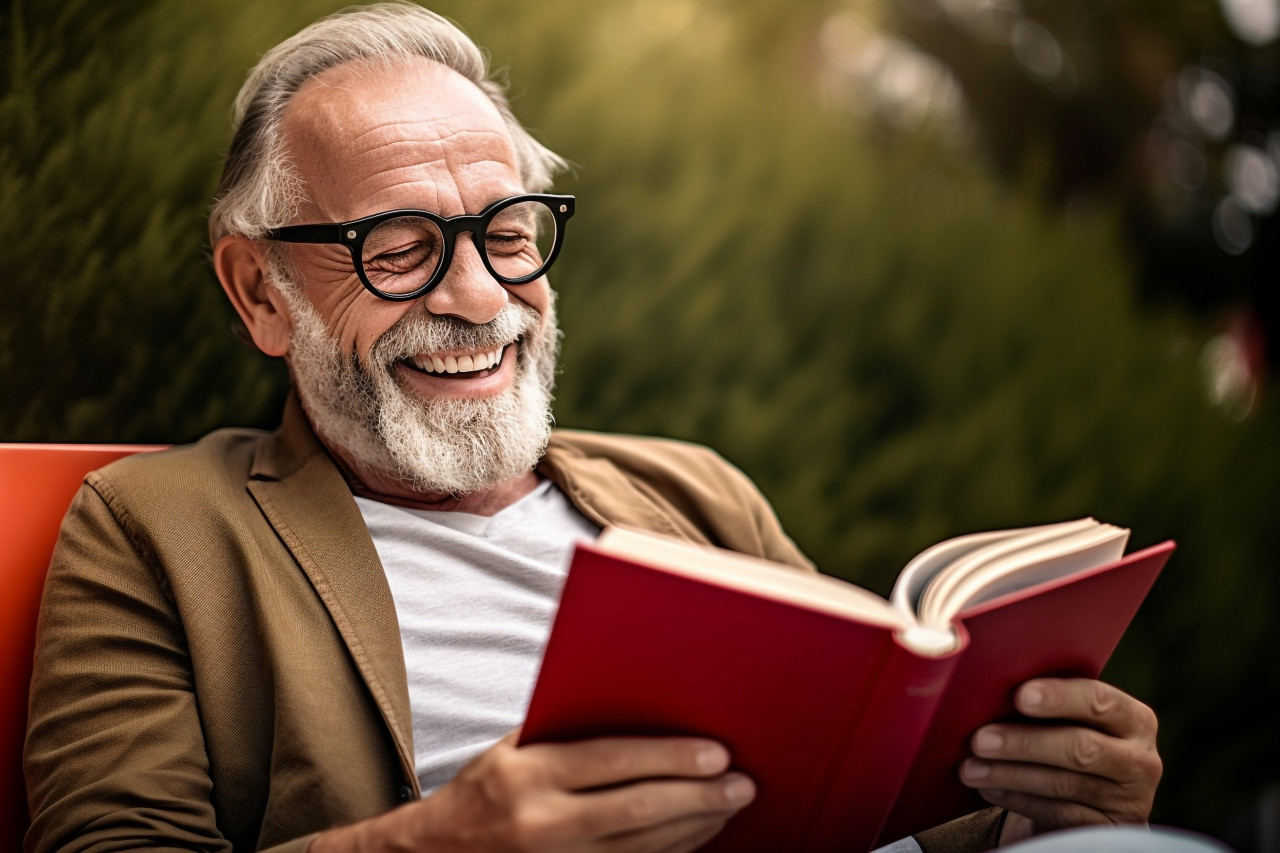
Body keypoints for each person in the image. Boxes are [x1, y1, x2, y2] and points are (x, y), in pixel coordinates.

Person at [22, 4, 1162, 852]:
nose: (479, 298)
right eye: (402, 246)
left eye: (508, 233)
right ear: (263, 293)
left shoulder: (695, 491)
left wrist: (1039, 805)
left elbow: (863, 802)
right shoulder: (154, 529)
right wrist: (439, 841)